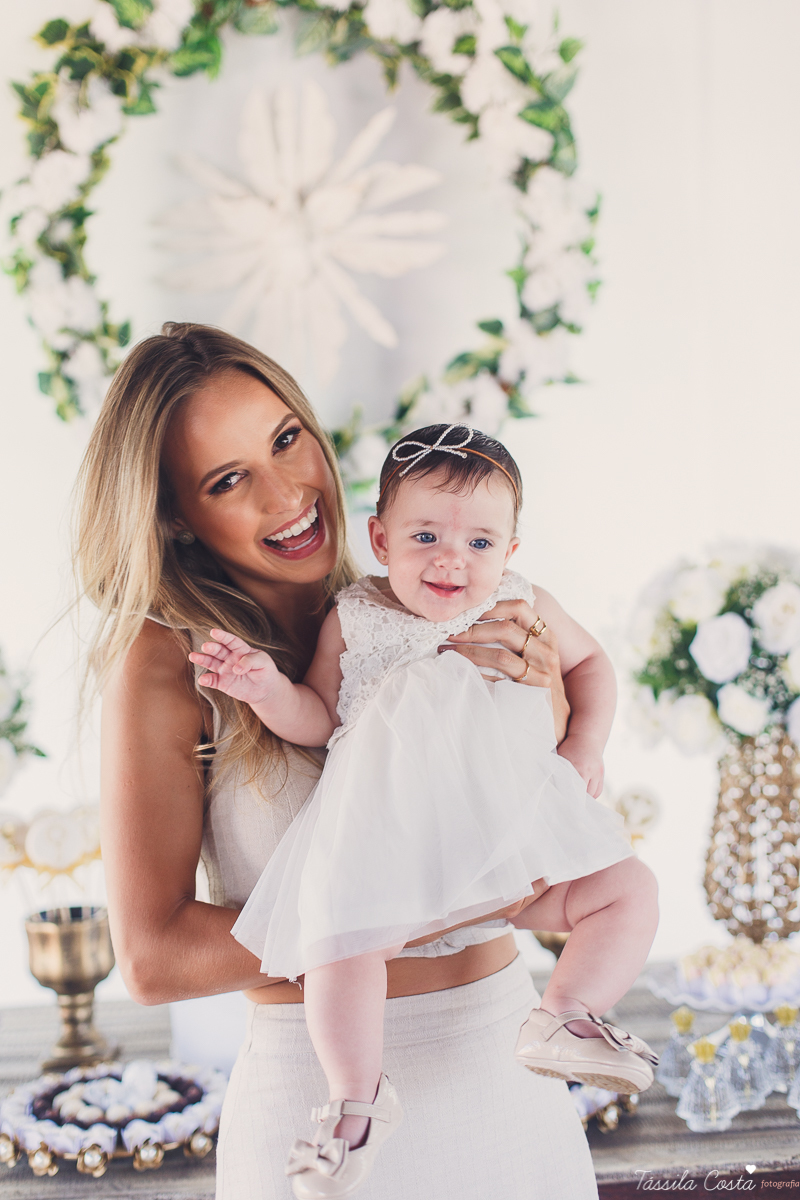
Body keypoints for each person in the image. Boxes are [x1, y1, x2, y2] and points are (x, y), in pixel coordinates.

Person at [74, 322, 645, 1200]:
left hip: (508, 1072)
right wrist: (425, 906)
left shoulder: (416, 590)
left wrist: (558, 706)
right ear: (174, 516)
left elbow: (542, 808)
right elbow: (153, 962)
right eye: (228, 479)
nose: (286, 494)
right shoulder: (171, 659)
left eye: (285, 439)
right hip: (321, 1098)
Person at [192, 423, 659, 1198]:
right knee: (338, 948)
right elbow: (319, 717)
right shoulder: (356, 617)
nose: (452, 559)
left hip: (507, 845)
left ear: (510, 552)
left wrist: (585, 743)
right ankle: (355, 1101)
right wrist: (265, 690)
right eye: (426, 536)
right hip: (387, 847)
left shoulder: (523, 603)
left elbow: (593, 664)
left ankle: (567, 1011)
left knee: (628, 889)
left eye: (480, 543)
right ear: (380, 539)